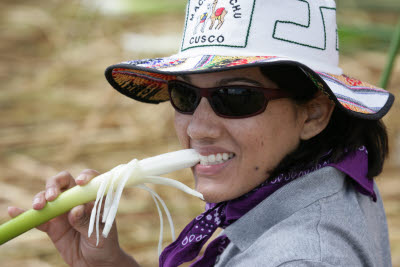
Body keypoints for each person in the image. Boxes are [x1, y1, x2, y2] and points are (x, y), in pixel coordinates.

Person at [8, 0, 395, 266]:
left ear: (313, 114)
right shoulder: (332, 172)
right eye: (186, 94)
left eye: (237, 97)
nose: (198, 127)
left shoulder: (299, 257)